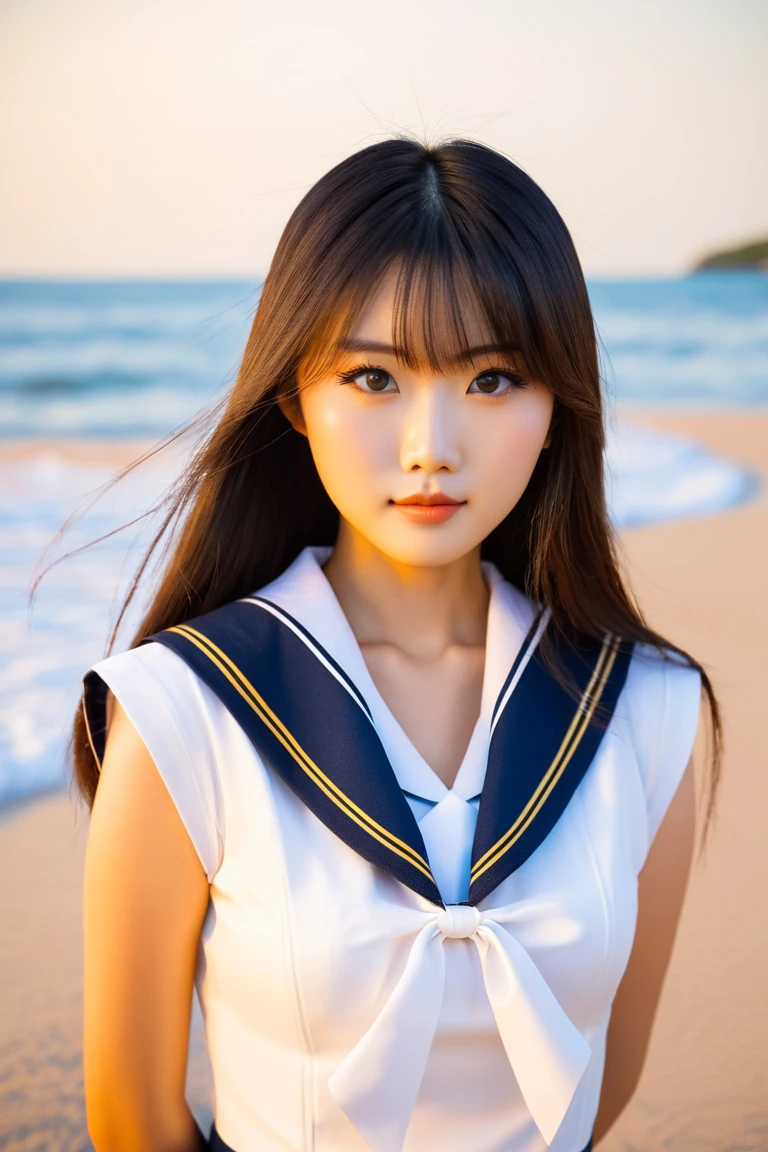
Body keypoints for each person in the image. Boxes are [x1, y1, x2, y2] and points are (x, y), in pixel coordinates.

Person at [76, 138, 720, 1152]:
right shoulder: (184, 707)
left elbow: (602, 1079)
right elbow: (130, 1118)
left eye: (493, 377)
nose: (431, 444)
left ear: (559, 405)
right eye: (374, 377)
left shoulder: (643, 707)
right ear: (295, 397)